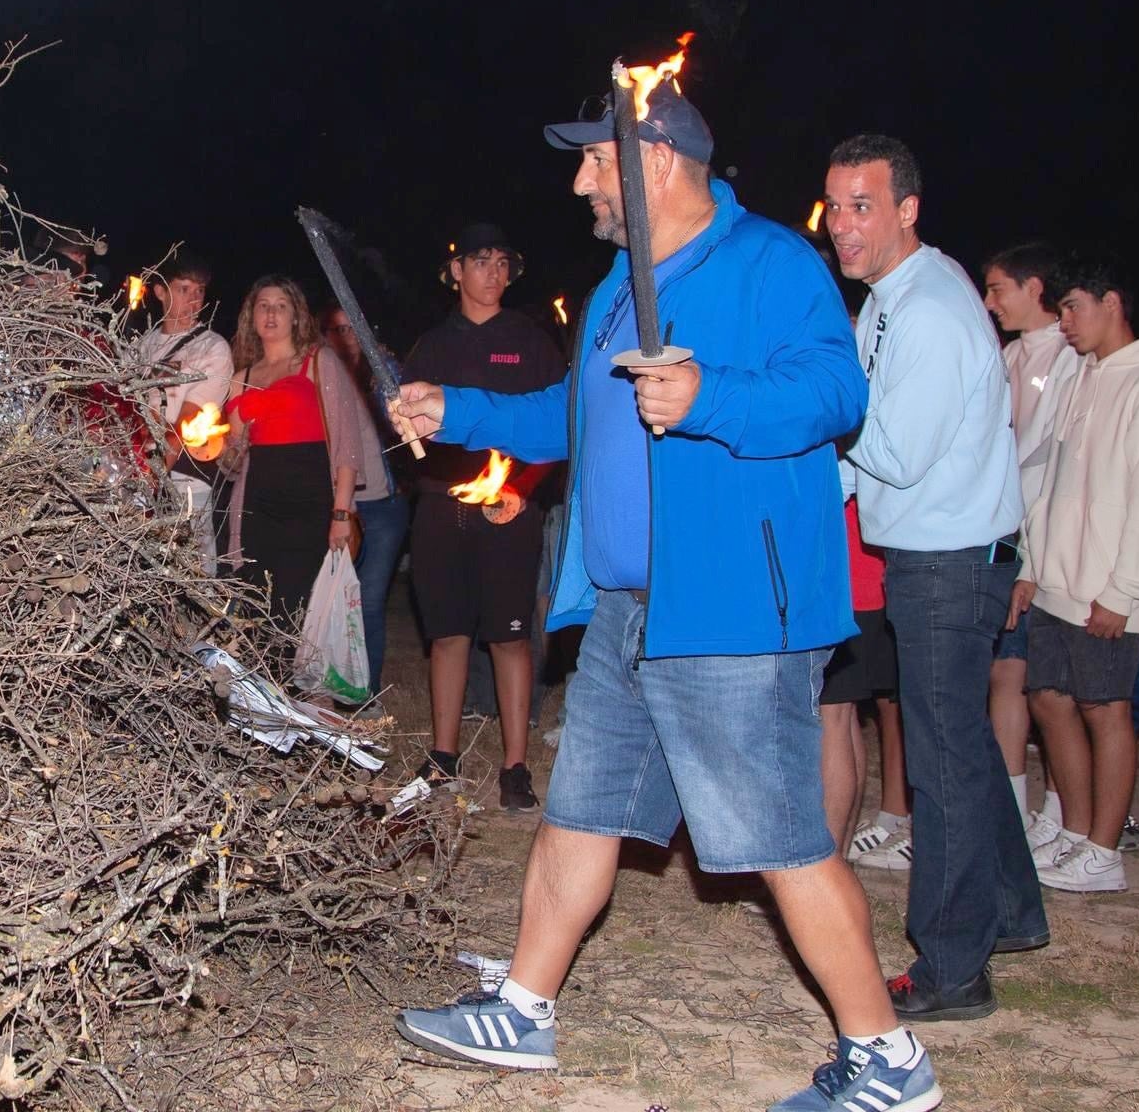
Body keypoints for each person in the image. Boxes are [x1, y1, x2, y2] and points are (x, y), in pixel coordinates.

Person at [393, 82, 941, 1112]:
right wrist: (454, 407)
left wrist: (708, 398)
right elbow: (572, 423)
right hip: (625, 607)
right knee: (581, 811)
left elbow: (836, 395)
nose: (577, 179)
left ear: (652, 163)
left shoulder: (770, 262)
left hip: (730, 609)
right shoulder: (614, 286)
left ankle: (886, 1061)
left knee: (778, 837)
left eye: (593, 159)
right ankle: (523, 1006)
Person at [826, 133, 1046, 1020]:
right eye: (835, 205)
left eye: (863, 205)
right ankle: (1015, 911)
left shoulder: (929, 310)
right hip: (932, 556)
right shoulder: (888, 299)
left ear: (908, 209)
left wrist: (809, 427)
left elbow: (894, 452)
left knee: (941, 762)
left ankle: (954, 968)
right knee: (960, 746)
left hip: (947, 564)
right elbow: (866, 457)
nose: (842, 224)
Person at [1011, 253, 1139, 893]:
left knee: (1106, 709)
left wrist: (1124, 591)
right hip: (1059, 578)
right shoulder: (1084, 378)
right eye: (1060, 311)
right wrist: (1032, 563)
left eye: (1073, 308)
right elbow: (1051, 479)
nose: (1064, 323)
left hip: (1109, 588)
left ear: (1111, 302)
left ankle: (1105, 850)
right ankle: (1074, 830)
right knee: (1049, 701)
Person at [404, 224, 565, 808]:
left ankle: (515, 765)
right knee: (447, 632)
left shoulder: (530, 340)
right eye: (480, 261)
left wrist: (522, 488)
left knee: (509, 636)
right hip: (442, 505)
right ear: (455, 272)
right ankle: (443, 757)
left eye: (503, 262)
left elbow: (559, 427)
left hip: (509, 506)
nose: (494, 273)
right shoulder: (431, 346)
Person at [980, 241, 1084, 852]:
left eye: (999, 289)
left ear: (1035, 287)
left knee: (1043, 683)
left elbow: (1044, 456)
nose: (990, 303)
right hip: (1003, 531)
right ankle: (1015, 807)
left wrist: (1030, 550)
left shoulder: (1067, 359)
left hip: (1037, 537)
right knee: (1007, 672)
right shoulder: (1010, 354)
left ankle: (1061, 813)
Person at [221, 277, 366, 631]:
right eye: (263, 305)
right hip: (259, 506)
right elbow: (233, 462)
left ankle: (299, 687)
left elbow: (347, 442)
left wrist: (342, 513)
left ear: (296, 316)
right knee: (260, 609)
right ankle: (266, 686)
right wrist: (216, 447)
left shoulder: (319, 362)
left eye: (281, 305)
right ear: (251, 316)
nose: (271, 313)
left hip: (310, 504)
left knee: (302, 611)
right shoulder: (240, 378)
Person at [321, 305, 410, 715]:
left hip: (385, 503)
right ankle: (330, 687)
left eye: (351, 327)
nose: (346, 335)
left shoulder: (380, 368)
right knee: (334, 598)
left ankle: (366, 693)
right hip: (342, 503)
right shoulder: (322, 372)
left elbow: (406, 415)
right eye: (336, 329)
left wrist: (381, 367)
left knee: (370, 601)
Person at [126, 252, 232, 576]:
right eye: (184, 289)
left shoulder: (211, 347)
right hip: (137, 471)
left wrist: (150, 483)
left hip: (184, 478)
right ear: (160, 291)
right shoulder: (141, 346)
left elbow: (186, 423)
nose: (193, 300)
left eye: (199, 291)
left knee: (192, 574)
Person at [824, 496, 906, 865]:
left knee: (831, 717)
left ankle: (823, 865)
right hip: (853, 572)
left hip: (847, 575)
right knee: (840, 716)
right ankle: (832, 858)